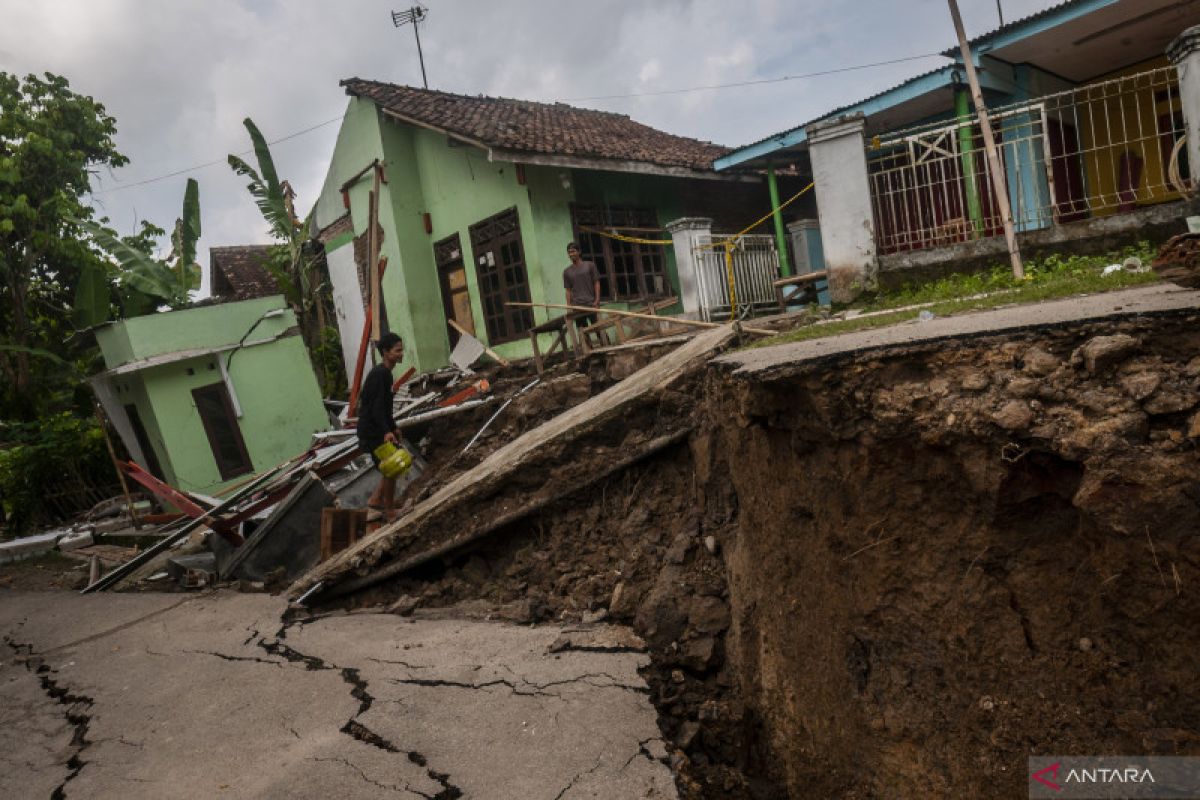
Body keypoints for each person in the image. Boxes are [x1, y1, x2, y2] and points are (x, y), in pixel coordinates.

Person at [357, 331, 405, 522]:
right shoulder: (381, 374)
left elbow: (385, 406)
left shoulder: (385, 374)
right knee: (392, 466)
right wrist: (386, 431)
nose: (401, 354)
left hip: (377, 428)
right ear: (385, 352)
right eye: (397, 350)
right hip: (372, 431)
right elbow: (376, 407)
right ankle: (390, 512)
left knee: (390, 467)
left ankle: (375, 501)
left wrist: (393, 427)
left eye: (402, 350)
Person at [563, 242, 601, 329]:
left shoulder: (590, 265)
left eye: (573, 251)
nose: (571, 254)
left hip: (591, 304)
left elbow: (596, 283)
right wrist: (568, 306)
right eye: (569, 252)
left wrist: (597, 300)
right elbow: (568, 290)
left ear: (579, 252)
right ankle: (587, 343)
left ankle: (606, 342)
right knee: (582, 333)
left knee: (599, 329)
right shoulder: (567, 272)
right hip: (577, 306)